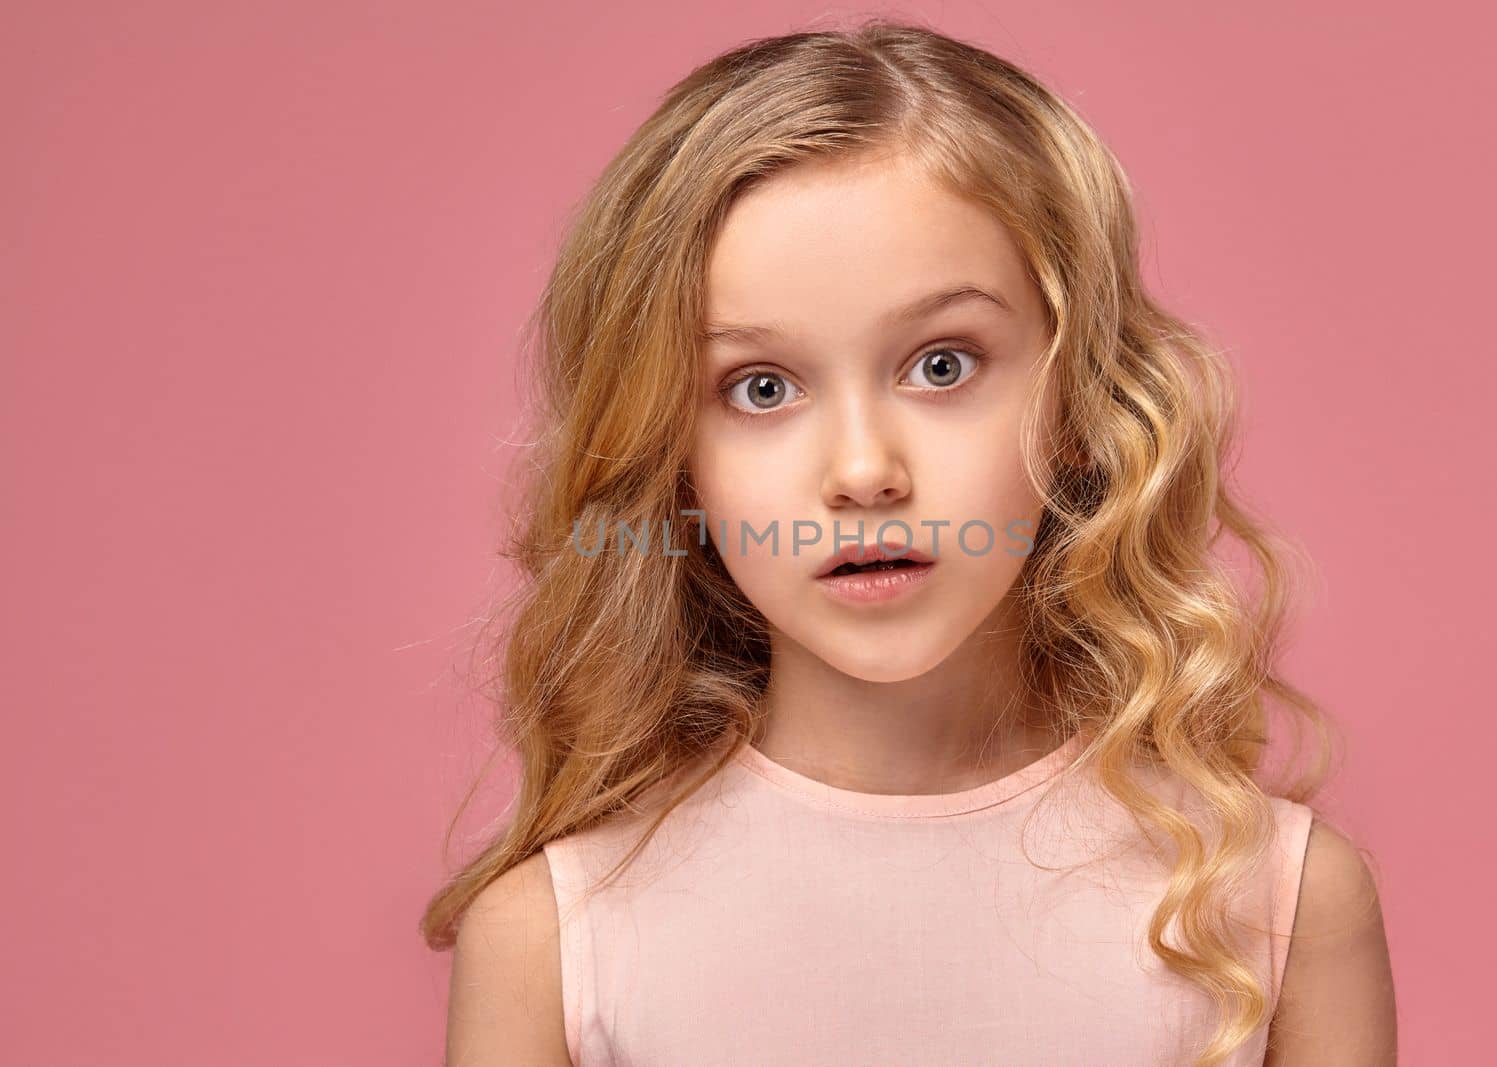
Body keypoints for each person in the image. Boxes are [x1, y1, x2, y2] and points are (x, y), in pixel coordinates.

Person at [426, 19, 1397, 1067]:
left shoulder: (1275, 902)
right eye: (760, 387)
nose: (861, 471)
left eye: (942, 364)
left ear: (1078, 399)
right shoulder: (555, 940)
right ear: (672, 455)